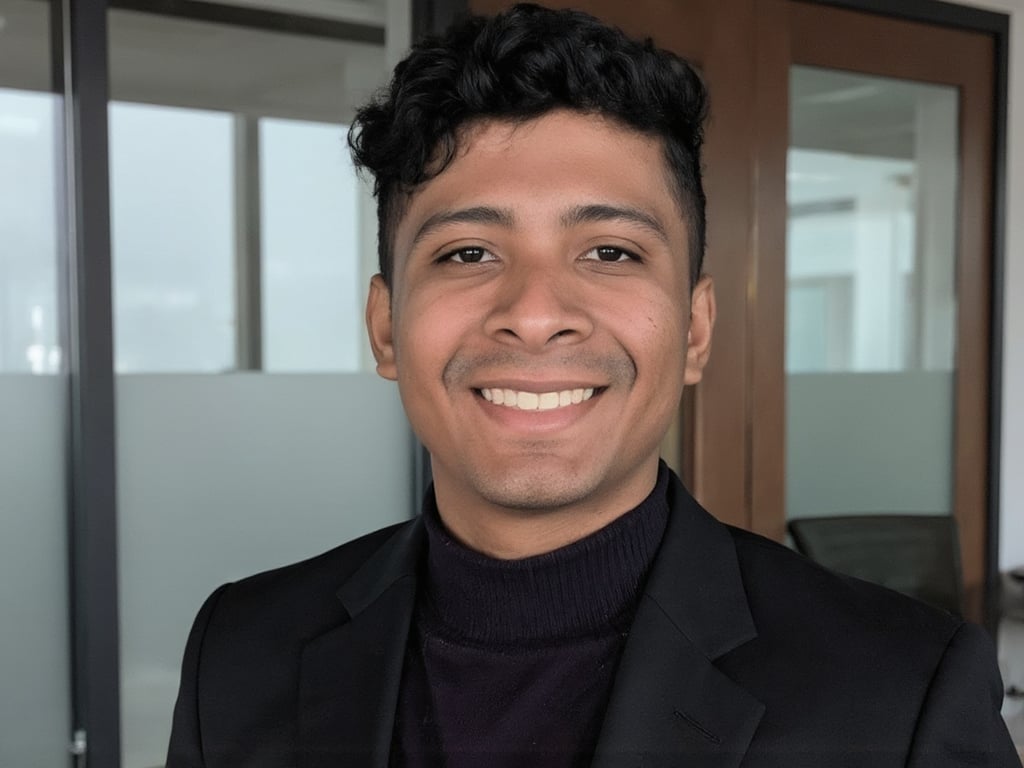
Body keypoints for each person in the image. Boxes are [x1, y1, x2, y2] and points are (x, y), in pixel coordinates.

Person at [166, 4, 1020, 767]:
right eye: (468, 252)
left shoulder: (901, 692)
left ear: (695, 328)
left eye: (610, 251)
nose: (536, 315)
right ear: (386, 327)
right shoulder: (240, 650)